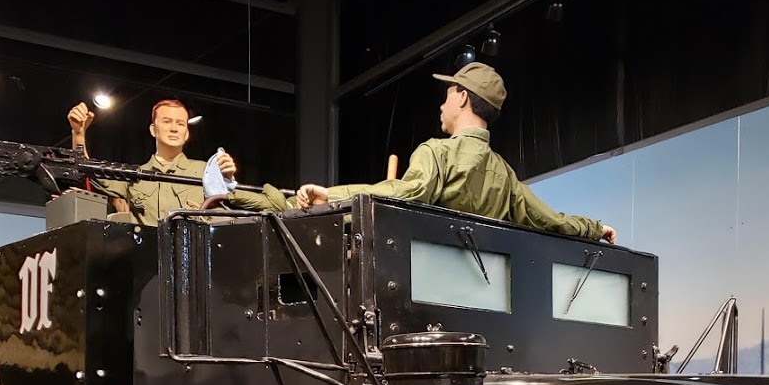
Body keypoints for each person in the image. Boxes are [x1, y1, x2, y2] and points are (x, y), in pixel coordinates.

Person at [295, 63, 615, 244]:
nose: (441, 105)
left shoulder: (437, 152)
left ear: (462, 98)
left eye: (447, 95)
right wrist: (594, 228)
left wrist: (332, 197)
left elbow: (405, 194)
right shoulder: (505, 174)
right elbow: (549, 221)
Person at [66, 98, 289, 220]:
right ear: (153, 129)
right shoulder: (135, 176)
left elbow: (268, 205)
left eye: (180, 123)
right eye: (166, 121)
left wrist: (228, 182)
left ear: (187, 133)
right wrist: (79, 134)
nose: (174, 128)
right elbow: (87, 172)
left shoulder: (204, 172)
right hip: (147, 268)